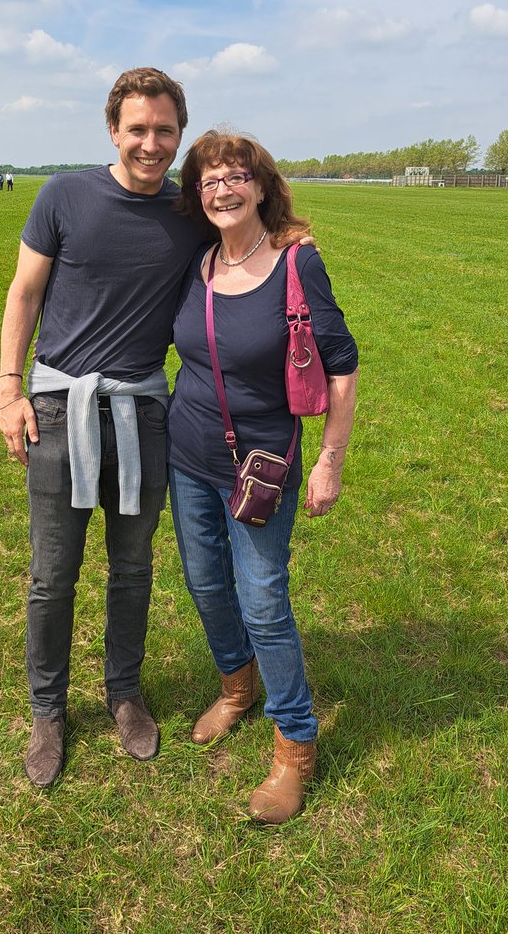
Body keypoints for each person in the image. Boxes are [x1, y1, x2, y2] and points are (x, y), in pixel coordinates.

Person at [0, 67, 205, 788]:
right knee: (53, 576)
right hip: (59, 410)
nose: (152, 144)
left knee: (134, 569)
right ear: (113, 130)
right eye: (138, 129)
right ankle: (48, 711)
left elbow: (250, 246)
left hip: (144, 414)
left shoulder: (187, 215)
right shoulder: (64, 196)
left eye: (165, 131)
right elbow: (24, 293)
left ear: (181, 135)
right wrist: (8, 390)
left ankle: (124, 694)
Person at [167, 130, 358, 824]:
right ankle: (235, 686)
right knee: (205, 583)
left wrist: (330, 461)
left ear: (261, 185)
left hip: (262, 469)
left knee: (265, 603)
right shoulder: (198, 263)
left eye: (235, 176)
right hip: (187, 455)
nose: (222, 189)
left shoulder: (296, 264)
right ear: (197, 195)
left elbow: (341, 366)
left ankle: (294, 746)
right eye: (208, 180)